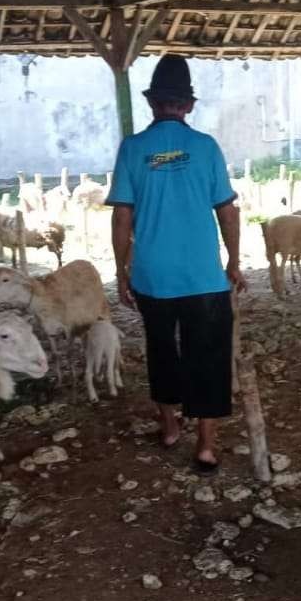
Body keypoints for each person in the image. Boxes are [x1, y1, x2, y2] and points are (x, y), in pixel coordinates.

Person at [108, 55, 246, 474]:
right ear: (187, 106)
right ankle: (205, 446)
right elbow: (228, 211)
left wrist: (121, 270)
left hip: (154, 277)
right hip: (203, 279)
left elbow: (121, 217)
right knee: (209, 356)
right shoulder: (205, 148)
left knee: (162, 350)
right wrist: (234, 261)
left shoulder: (133, 148)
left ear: (152, 104)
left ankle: (169, 427)